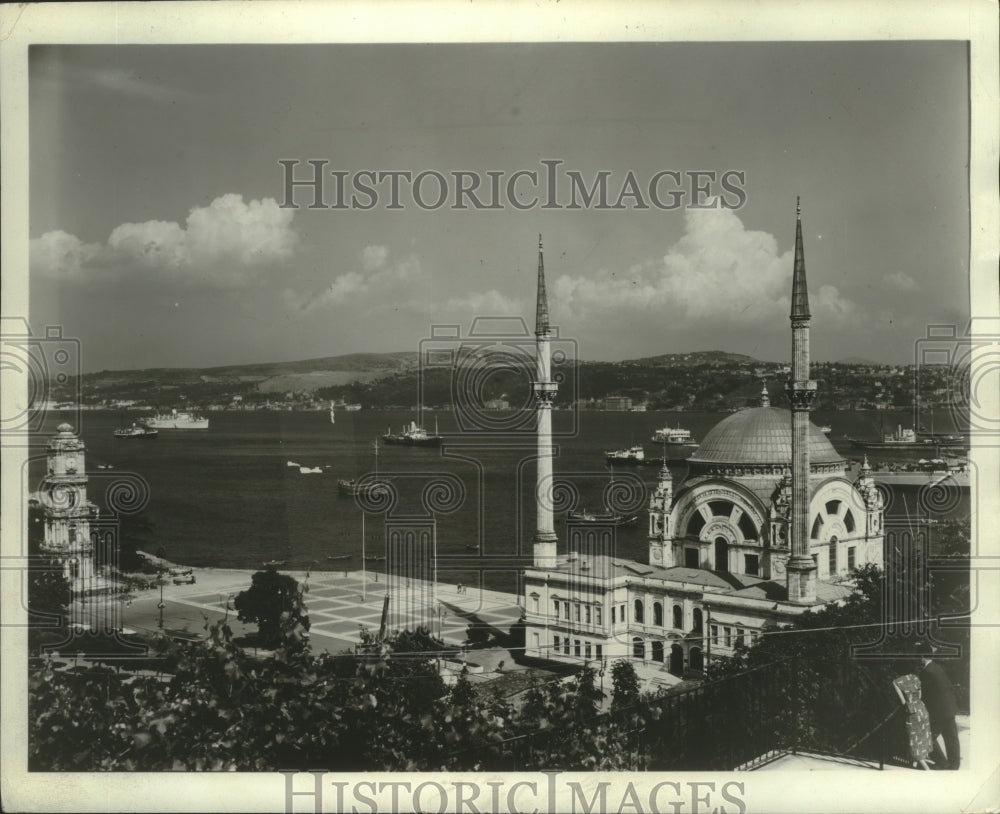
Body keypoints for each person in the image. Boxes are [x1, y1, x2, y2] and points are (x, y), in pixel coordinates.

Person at [916, 641, 961, 770]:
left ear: (923, 656)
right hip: (949, 708)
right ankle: (954, 764)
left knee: (926, 736)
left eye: (919, 656)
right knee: (951, 737)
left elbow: (924, 694)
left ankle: (941, 762)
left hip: (939, 712)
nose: (919, 659)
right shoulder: (938, 667)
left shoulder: (927, 672)